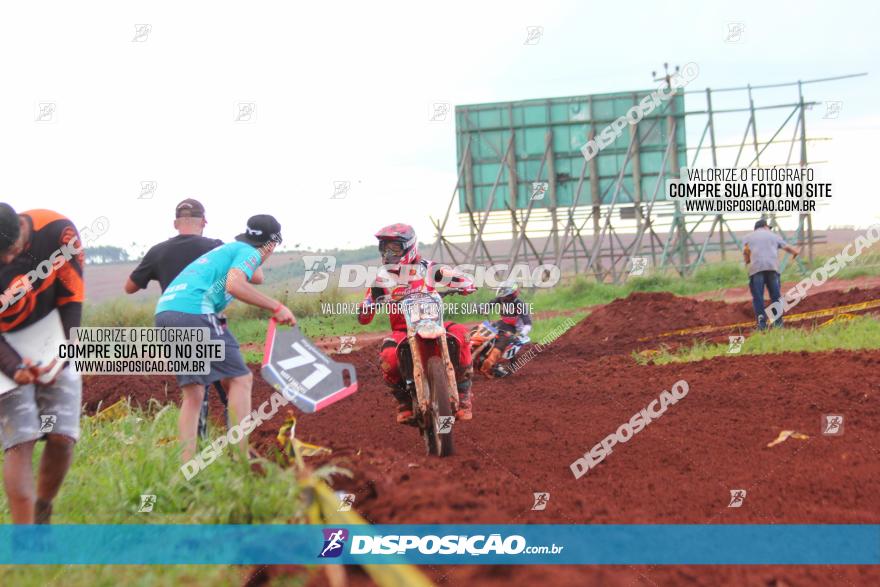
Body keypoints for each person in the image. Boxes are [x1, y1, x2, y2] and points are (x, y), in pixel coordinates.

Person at [154, 214, 295, 462]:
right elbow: (234, 285)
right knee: (241, 379)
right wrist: (276, 307)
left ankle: (186, 463)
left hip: (167, 313)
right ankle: (241, 457)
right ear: (272, 245)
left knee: (194, 394)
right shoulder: (247, 253)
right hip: (194, 312)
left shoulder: (233, 249)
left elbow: (257, 277)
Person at [124, 198, 246, 438]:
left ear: (175, 223)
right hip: (208, 320)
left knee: (195, 392)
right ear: (204, 222)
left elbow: (129, 287)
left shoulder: (158, 251)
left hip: (175, 322)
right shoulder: (216, 247)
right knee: (233, 384)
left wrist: (158, 270)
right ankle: (238, 447)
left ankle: (195, 451)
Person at [0, 204, 85, 524]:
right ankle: (25, 541)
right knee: (21, 439)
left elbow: (72, 292)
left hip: (50, 332)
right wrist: (17, 369)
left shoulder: (57, 231)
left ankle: (42, 509)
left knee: (62, 436)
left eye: (9, 252)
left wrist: (67, 350)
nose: (6, 262)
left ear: (22, 231)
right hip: (3, 344)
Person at [356, 223, 477, 423]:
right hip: (403, 330)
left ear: (409, 246)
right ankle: (403, 399)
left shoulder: (429, 268)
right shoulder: (382, 279)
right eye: (384, 248)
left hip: (434, 323)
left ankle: (463, 392)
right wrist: (368, 305)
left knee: (461, 333)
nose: (388, 253)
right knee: (388, 354)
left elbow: (454, 276)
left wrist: (464, 283)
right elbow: (364, 316)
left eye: (394, 248)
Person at [743, 219, 800, 330]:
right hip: (772, 268)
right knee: (775, 296)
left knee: (758, 297)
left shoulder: (748, 238)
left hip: (756, 269)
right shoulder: (773, 236)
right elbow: (786, 247)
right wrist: (795, 252)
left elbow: (746, 253)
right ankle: (778, 323)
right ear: (764, 226)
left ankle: (762, 324)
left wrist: (747, 261)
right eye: (768, 227)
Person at [480, 280, 532, 376]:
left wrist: (520, 336)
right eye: (502, 294)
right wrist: (485, 308)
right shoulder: (501, 299)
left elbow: (528, 324)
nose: (502, 297)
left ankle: (494, 362)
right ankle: (480, 353)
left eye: (504, 294)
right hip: (503, 323)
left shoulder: (519, 304)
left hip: (514, 328)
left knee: (503, 339)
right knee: (485, 330)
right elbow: (492, 302)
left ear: (511, 294)